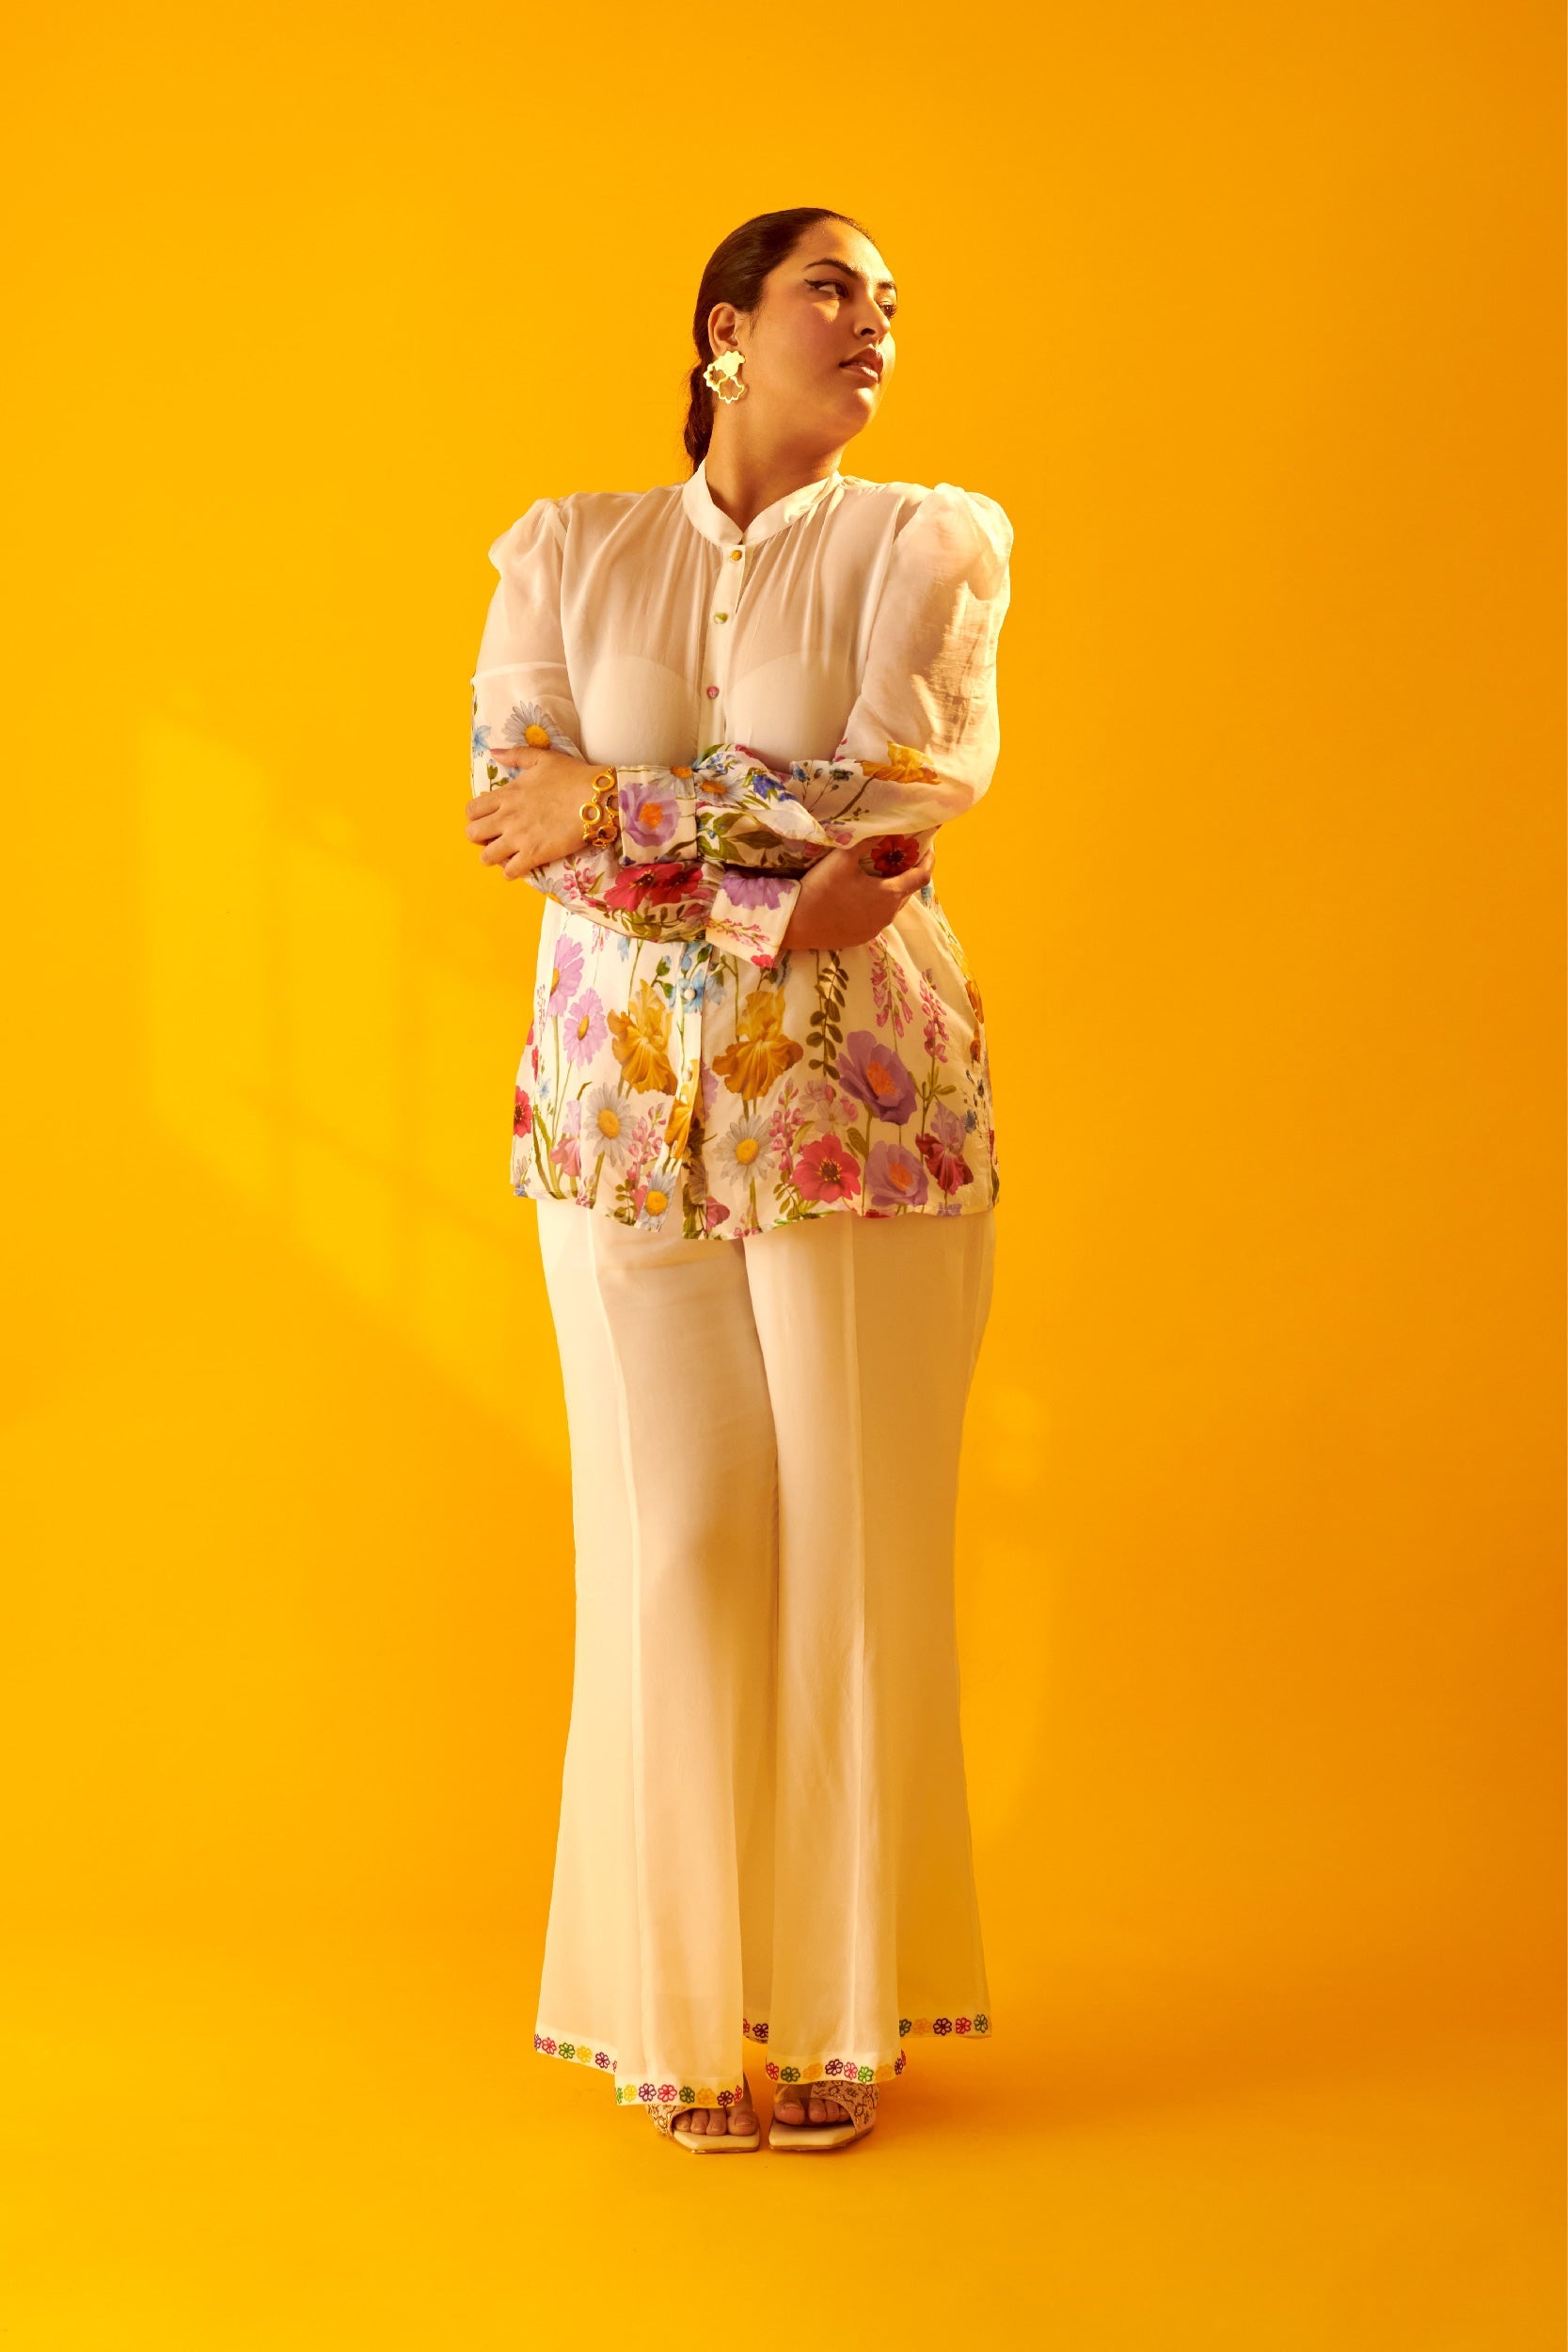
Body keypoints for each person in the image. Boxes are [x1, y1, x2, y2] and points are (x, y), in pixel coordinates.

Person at [464, 207, 1013, 2155]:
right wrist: (771, 889)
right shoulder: (566, 549)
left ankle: (841, 2011)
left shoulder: (930, 544)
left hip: (859, 1115)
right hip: (614, 1119)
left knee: (852, 1552)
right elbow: (507, 808)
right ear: (725, 329)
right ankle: (683, 2018)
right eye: (831, 289)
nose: (872, 325)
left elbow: (897, 789)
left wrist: (619, 806)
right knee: (670, 1548)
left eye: (890, 304)